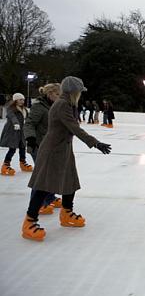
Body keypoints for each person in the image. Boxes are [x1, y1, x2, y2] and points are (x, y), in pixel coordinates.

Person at [21, 76, 111, 241]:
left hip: (63, 149)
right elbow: (75, 128)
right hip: (52, 150)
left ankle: (67, 213)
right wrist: (96, 144)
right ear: (73, 92)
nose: (80, 95)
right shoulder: (62, 105)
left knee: (70, 181)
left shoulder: (69, 104)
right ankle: (29, 221)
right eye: (79, 92)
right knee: (43, 186)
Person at [24, 83, 62, 214]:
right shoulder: (39, 107)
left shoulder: (55, 106)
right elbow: (29, 123)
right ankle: (37, 204)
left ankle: (49, 197)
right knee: (41, 176)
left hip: (50, 146)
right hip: (38, 145)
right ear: (49, 93)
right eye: (57, 94)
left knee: (51, 173)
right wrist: (30, 138)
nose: (60, 97)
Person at [1, 93, 33, 176]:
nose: (22, 101)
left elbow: (28, 118)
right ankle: (5, 165)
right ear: (15, 100)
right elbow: (12, 117)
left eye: (23, 100)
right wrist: (16, 123)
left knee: (22, 147)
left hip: (21, 131)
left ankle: (23, 163)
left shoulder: (24, 109)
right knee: (12, 148)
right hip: (12, 130)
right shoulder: (11, 108)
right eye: (20, 100)